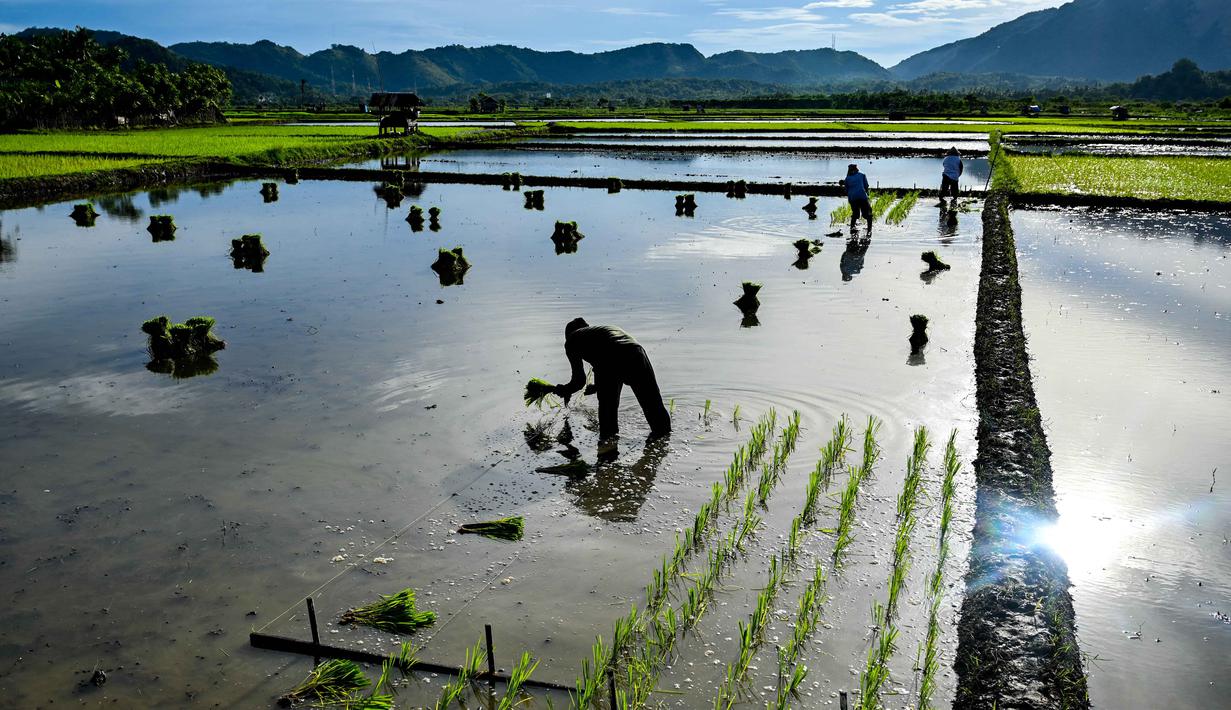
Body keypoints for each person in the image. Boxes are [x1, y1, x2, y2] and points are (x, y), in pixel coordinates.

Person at [552, 318, 671, 441]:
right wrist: (598, 386)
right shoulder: (601, 331)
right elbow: (609, 363)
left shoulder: (571, 339)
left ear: (568, 334)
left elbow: (579, 380)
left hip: (611, 355)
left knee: (608, 413)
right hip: (636, 352)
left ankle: (608, 452)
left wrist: (565, 390)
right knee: (653, 404)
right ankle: (665, 441)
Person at [838, 163, 873, 233]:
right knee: (867, 214)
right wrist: (866, 195)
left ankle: (852, 228)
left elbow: (846, 190)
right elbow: (866, 186)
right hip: (862, 196)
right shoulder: (862, 175)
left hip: (853, 198)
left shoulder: (847, 178)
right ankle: (869, 229)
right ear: (856, 169)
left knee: (855, 214)